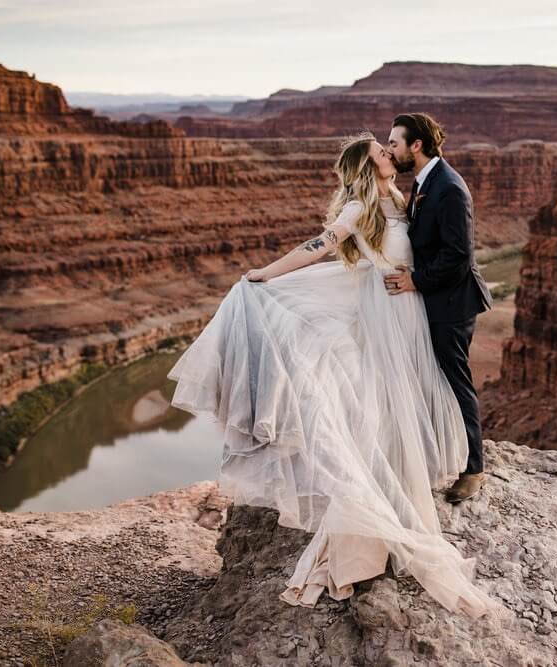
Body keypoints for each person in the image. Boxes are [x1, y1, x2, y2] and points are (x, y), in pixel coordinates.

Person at [166, 132, 502, 619]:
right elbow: (320, 245)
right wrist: (269, 271)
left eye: (391, 147)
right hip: (387, 314)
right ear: (367, 169)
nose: (389, 154)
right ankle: (369, 529)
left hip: (406, 312)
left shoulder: (397, 196)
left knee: (400, 403)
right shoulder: (359, 204)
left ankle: (402, 485)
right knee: (384, 405)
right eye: (380, 152)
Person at [385, 112, 493, 503]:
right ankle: (443, 455)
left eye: (395, 142)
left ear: (416, 145)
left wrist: (415, 280)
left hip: (452, 303)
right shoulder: (425, 182)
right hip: (436, 300)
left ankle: (474, 469)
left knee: (454, 381)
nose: (390, 149)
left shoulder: (449, 188)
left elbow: (458, 256)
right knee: (434, 380)